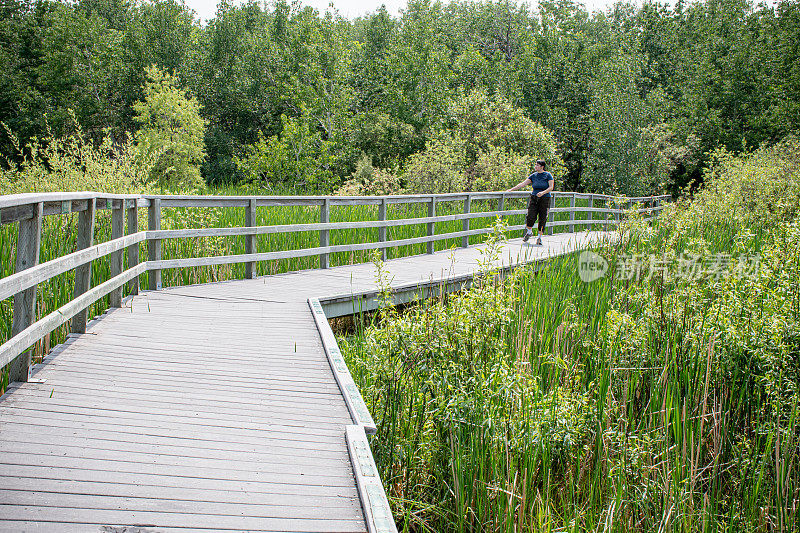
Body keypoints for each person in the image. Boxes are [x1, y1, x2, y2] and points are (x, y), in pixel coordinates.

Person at [506, 160, 554, 245]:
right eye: (535, 165)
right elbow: (523, 184)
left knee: (542, 218)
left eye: (537, 165)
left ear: (542, 166)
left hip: (545, 198)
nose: (535, 167)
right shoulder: (533, 176)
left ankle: (539, 238)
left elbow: (551, 187)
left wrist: (543, 192)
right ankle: (529, 232)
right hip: (534, 198)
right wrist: (511, 190)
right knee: (530, 216)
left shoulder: (548, 175)